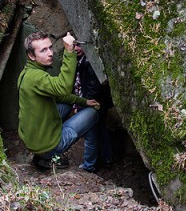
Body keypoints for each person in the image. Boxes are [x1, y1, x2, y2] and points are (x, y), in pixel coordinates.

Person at [17, 31, 99, 172]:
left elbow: (59, 95)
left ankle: (43, 155)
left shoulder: (26, 73)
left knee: (67, 105)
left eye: (50, 47)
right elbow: (63, 88)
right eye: (43, 50)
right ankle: (83, 164)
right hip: (48, 146)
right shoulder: (37, 77)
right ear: (31, 55)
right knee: (93, 113)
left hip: (33, 139)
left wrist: (83, 101)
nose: (50, 53)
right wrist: (69, 51)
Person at [71, 42, 114, 167]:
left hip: (94, 104)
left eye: (78, 45)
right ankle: (105, 158)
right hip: (94, 103)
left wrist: (83, 104)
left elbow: (94, 88)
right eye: (73, 46)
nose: (76, 49)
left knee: (91, 133)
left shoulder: (90, 63)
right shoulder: (80, 61)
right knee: (99, 130)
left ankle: (90, 164)